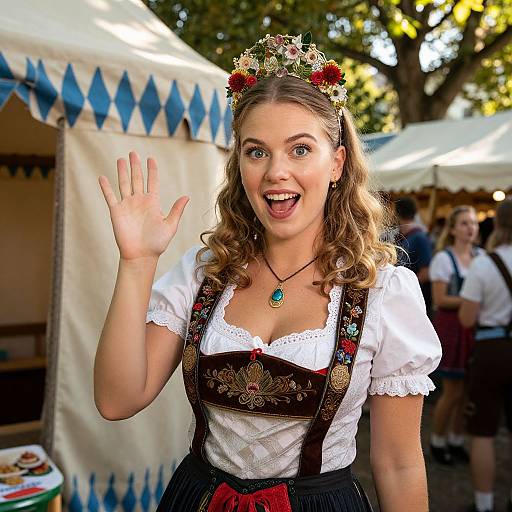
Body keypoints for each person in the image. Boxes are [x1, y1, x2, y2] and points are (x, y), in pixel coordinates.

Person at [94, 33, 441, 512]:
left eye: (300, 149)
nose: (276, 171)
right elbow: (117, 400)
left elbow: (400, 463)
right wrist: (136, 263)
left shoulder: (381, 291)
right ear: (240, 165)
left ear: (337, 162)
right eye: (256, 151)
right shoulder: (204, 274)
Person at [459, 199, 512, 512]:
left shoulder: (484, 264)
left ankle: (484, 504)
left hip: (492, 349)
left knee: (483, 431)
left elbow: (467, 318)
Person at [428, 206, 481, 465]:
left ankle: (456, 439)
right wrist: (471, 301)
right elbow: (439, 299)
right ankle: (437, 441)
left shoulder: (481, 257)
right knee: (452, 391)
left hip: (476, 328)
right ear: (452, 229)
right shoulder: (444, 259)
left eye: (473, 223)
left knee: (468, 392)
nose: (471, 227)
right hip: (452, 328)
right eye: (464, 223)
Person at [394, 197, 433, 317]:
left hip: (412, 298)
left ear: (396, 213)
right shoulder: (401, 236)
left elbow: (425, 272)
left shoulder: (419, 237)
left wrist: (404, 287)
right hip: (401, 297)